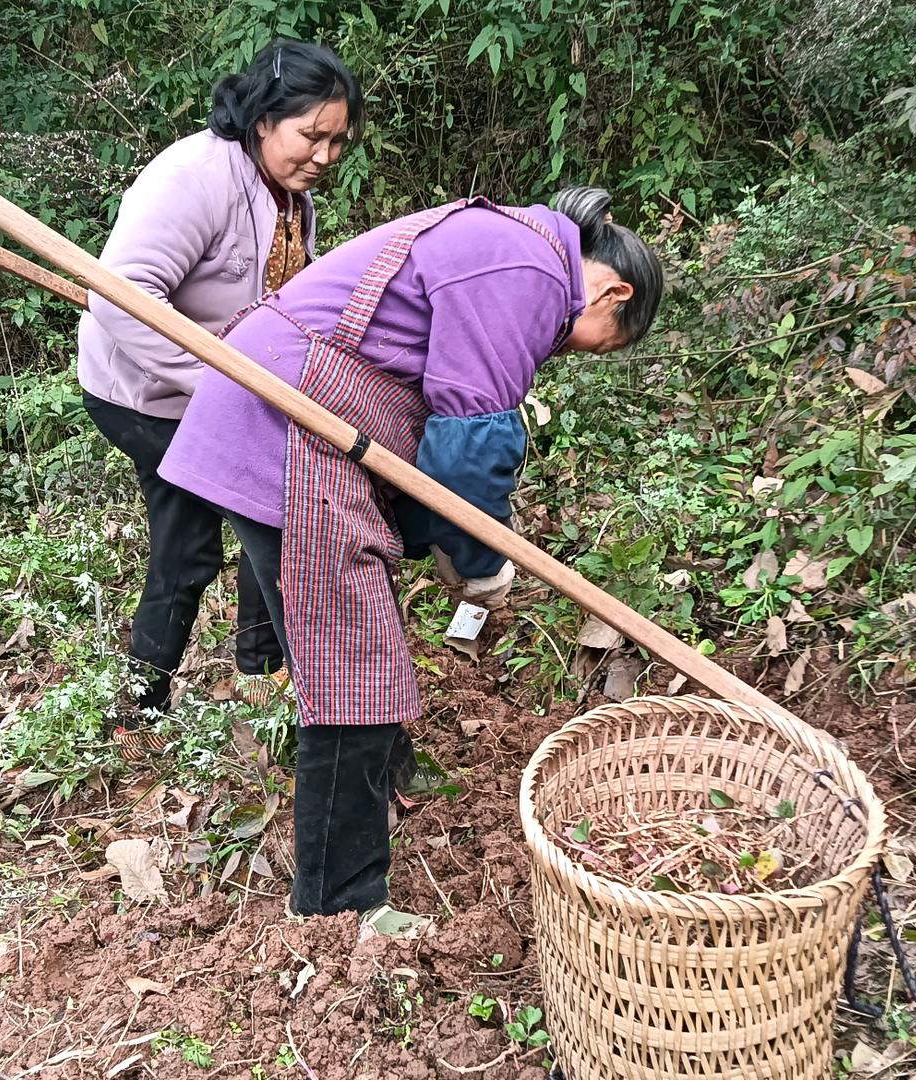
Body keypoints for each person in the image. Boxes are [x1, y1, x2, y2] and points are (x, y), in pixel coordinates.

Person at [157, 186, 664, 934]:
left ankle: (390, 775)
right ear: (612, 293)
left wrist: (443, 544)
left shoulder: (508, 241)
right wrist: (480, 560)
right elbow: (473, 443)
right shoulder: (530, 269)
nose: (576, 352)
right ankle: (340, 904)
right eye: (607, 341)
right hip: (286, 429)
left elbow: (440, 437)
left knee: (363, 632)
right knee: (355, 669)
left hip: (283, 416)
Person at [77, 40, 365, 718]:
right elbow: (118, 296)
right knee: (269, 511)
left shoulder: (282, 188)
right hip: (145, 394)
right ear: (264, 118)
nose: (324, 157)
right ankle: (265, 678)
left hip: (218, 387)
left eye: (338, 142)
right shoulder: (196, 177)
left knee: (188, 540)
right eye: (312, 136)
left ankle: (164, 695)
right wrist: (219, 383)